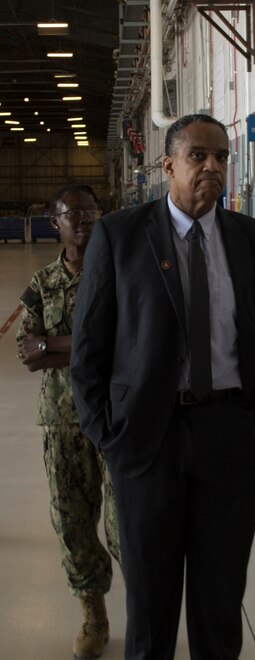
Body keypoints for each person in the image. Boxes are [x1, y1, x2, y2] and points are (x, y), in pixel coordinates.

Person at [70, 114, 255, 659]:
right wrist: (108, 436)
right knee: (150, 604)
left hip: (231, 434)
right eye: (198, 156)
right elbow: (89, 350)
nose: (211, 167)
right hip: (148, 439)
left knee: (220, 600)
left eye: (221, 157)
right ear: (168, 165)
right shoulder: (119, 237)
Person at [16, 184, 120, 660]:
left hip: (120, 419)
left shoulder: (121, 274)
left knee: (127, 527)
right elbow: (28, 353)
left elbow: (130, 344)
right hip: (62, 419)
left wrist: (57, 346)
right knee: (72, 523)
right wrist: (90, 345)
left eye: (91, 212)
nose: (83, 219)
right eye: (71, 213)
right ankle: (93, 617)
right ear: (52, 222)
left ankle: (145, 611)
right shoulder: (41, 283)